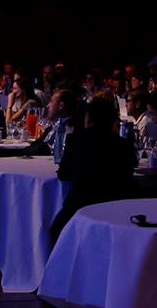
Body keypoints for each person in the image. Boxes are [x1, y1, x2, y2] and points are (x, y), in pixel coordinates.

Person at [52, 96, 137, 238]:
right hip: (114, 211)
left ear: (89, 117)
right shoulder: (124, 145)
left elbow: (63, 174)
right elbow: (128, 176)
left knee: (54, 228)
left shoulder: (75, 140)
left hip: (78, 210)